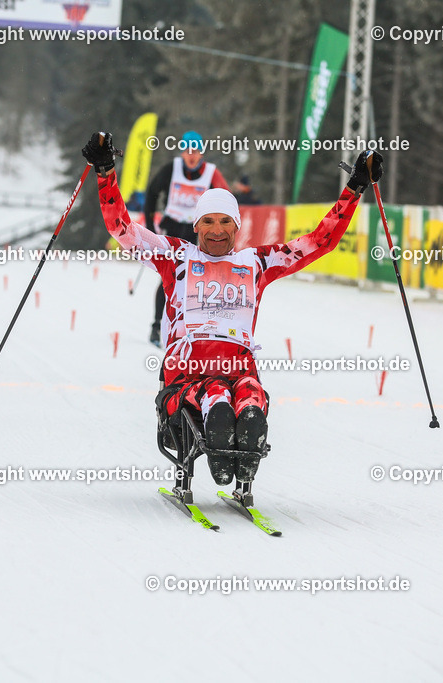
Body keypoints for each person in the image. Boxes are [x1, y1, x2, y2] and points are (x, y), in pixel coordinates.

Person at [82, 131, 382, 499]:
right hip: (188, 372)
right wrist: (105, 171)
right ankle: (218, 433)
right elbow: (122, 230)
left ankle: (241, 452)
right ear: (195, 226)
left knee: (250, 400)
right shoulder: (176, 256)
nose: (217, 231)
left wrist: (354, 187)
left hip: (239, 369)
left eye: (226, 222)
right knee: (216, 400)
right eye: (208, 222)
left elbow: (319, 241)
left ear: (237, 226)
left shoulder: (255, 263)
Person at [142, 131, 229, 346]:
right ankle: (156, 326)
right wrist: (151, 226)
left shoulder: (211, 173)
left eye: (196, 151)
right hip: (172, 227)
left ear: (201, 154)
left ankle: (199, 328)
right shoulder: (171, 169)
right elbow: (151, 193)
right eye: (188, 150)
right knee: (169, 278)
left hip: (196, 231)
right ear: (182, 152)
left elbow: (226, 199)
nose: (192, 155)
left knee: (198, 280)